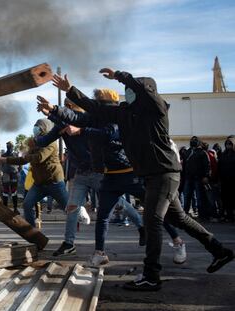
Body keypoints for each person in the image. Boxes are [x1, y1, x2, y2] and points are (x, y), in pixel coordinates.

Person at [38, 69, 233, 291]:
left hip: (164, 173)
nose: (128, 93)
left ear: (145, 92)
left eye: (131, 91)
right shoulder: (125, 114)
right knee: (179, 218)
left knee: (152, 221)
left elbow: (140, 94)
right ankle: (220, 251)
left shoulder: (157, 110)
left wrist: (121, 76)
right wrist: (65, 96)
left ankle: (151, 275)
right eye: (126, 91)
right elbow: (92, 111)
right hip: (150, 176)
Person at [35, 97, 100, 256]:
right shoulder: (64, 123)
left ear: (69, 107)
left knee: (117, 203)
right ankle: (69, 243)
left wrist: (51, 112)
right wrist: (49, 116)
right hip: (81, 173)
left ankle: (141, 225)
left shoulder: (86, 118)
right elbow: (58, 128)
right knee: (72, 208)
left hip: (97, 171)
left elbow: (72, 120)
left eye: (65, 106)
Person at [0, 118, 68, 227]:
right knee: (27, 205)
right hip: (39, 184)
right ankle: (32, 231)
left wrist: (26, 156)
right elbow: (23, 160)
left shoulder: (51, 141)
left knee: (69, 208)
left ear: (44, 129)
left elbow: (39, 157)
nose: (35, 128)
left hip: (54, 182)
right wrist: (5, 159)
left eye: (38, 126)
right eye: (35, 125)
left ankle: (78, 217)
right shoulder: (34, 142)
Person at [183, 136, 210, 220]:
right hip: (188, 178)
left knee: (199, 198)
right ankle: (185, 214)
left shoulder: (202, 152)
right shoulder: (187, 152)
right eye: (191, 140)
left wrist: (206, 176)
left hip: (198, 178)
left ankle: (202, 215)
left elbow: (207, 165)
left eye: (195, 140)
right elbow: (184, 165)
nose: (193, 141)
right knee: (187, 196)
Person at [0, 141, 20, 214]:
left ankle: (15, 209)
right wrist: (4, 171)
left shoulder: (16, 154)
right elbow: (0, 166)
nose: (9, 147)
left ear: (13, 147)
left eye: (10, 146)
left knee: (14, 193)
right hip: (6, 176)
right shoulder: (3, 155)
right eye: (8, 146)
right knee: (5, 193)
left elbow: (20, 165)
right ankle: (5, 209)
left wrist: (16, 171)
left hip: (14, 175)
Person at [218, 136, 235, 222]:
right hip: (225, 181)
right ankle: (229, 215)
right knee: (226, 199)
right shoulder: (223, 155)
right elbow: (219, 167)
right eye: (227, 144)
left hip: (233, 181)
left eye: (230, 144)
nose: (228, 146)